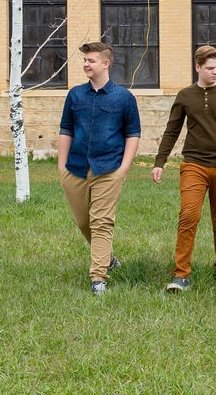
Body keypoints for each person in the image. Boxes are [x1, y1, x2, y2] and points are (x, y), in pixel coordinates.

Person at [153, 45, 216, 292]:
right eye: (210, 68)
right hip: (194, 164)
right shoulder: (185, 95)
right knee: (188, 216)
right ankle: (181, 275)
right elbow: (172, 130)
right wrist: (160, 162)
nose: (215, 72)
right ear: (198, 67)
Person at [57, 42, 141, 295]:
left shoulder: (123, 97)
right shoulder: (75, 95)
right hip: (76, 168)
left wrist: (124, 168)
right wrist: (61, 166)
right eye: (84, 60)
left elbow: (133, 134)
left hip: (109, 168)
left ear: (105, 63)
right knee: (84, 221)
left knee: (101, 222)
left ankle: (98, 278)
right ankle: (108, 258)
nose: (85, 64)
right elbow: (66, 129)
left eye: (90, 60)